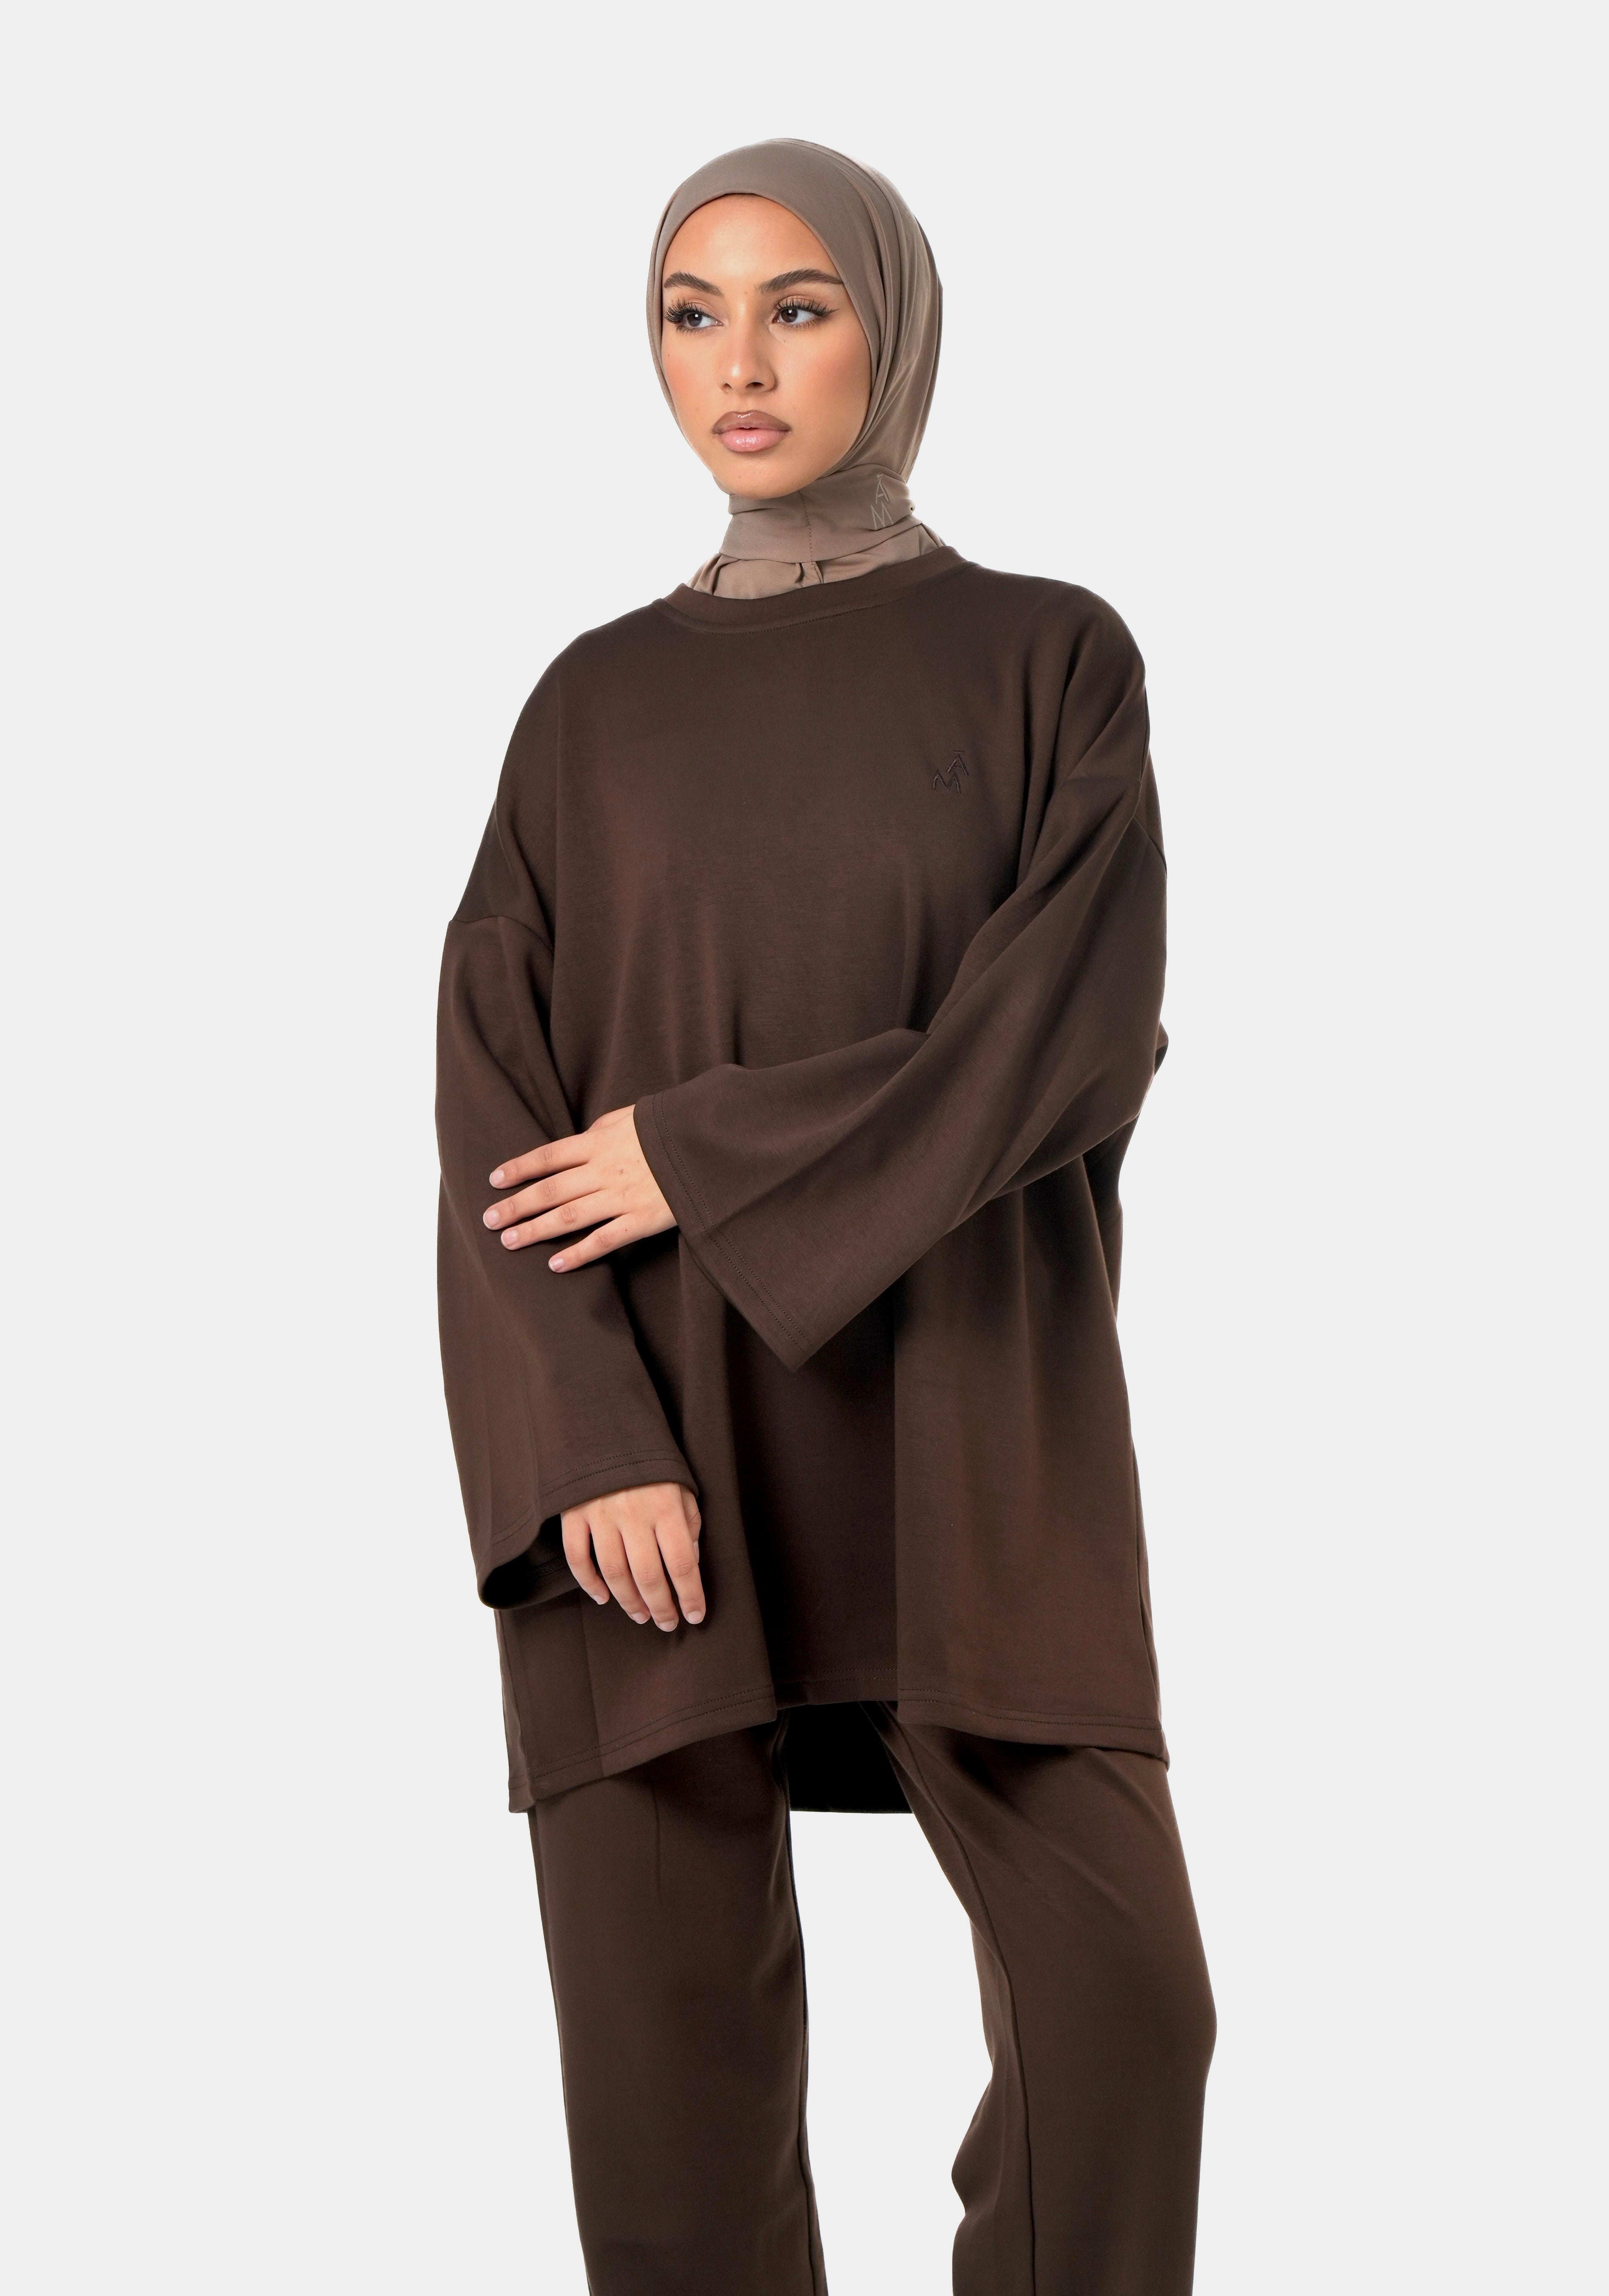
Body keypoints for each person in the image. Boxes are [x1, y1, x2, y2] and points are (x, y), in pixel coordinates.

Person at [436, 138, 1215, 2295]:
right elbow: (492, 1115)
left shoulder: (1047, 656)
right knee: (669, 2118)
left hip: (978, 1427)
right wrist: (583, 1445)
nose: (740, 365)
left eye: (799, 306)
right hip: (654, 1461)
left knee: (1127, 2020)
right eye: (691, 313)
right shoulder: (588, 706)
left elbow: (1066, 1035)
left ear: (897, 326)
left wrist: (704, 1148)